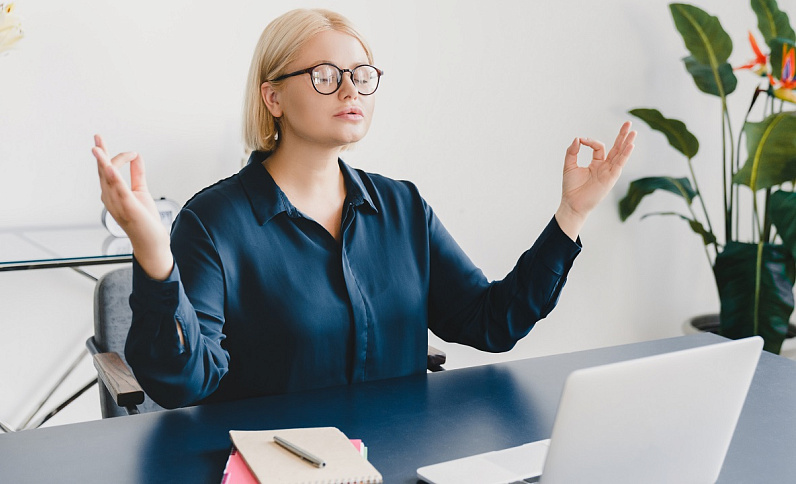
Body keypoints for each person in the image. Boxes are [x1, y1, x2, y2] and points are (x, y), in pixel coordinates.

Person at [92, 8, 636, 409]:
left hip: (401, 458)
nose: (349, 88)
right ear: (273, 97)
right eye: (325, 76)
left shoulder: (403, 206)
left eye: (362, 74)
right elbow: (182, 383)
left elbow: (491, 323)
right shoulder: (213, 223)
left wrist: (571, 214)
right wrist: (152, 252)